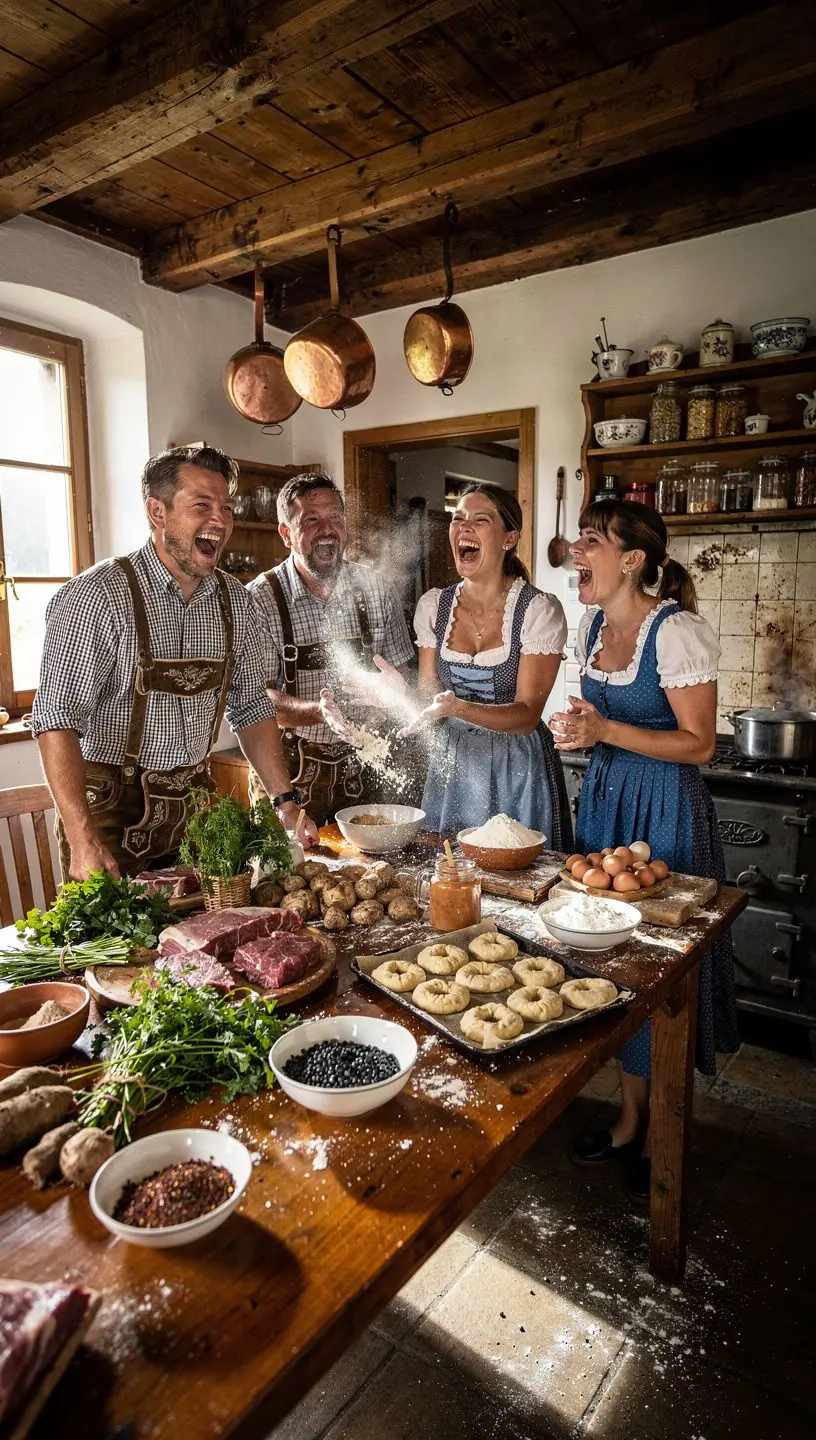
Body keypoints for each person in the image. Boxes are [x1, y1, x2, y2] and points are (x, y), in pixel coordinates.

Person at [550, 499, 739, 1200]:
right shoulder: (592, 626)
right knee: (618, 968)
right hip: (605, 802)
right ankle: (633, 1115)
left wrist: (604, 733)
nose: (577, 553)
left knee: (665, 973)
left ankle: (662, 1124)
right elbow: (598, 718)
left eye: (591, 542)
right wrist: (581, 729)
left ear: (633, 559)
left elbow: (701, 744)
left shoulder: (676, 631)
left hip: (665, 808)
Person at [32, 444, 318, 881]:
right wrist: (81, 837)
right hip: (107, 812)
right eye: (202, 505)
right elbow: (55, 720)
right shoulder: (96, 597)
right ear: (157, 512)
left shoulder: (236, 603)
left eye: (226, 507)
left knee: (198, 943)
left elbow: (252, 709)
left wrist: (286, 802)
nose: (220, 521)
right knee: (113, 948)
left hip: (194, 811)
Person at [247, 474, 415, 826]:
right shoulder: (259, 599)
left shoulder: (375, 588)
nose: (327, 529)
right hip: (287, 772)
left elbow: (408, 673)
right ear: (285, 533)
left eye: (335, 517)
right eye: (311, 519)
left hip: (368, 764)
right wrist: (317, 712)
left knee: (373, 873)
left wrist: (399, 688)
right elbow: (253, 698)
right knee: (285, 876)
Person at [411, 483, 573, 846]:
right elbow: (428, 693)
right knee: (453, 876)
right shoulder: (433, 607)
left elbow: (527, 715)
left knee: (518, 876)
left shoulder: (537, 611)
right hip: (454, 764)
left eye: (480, 520)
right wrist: (396, 692)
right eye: (458, 519)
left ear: (508, 539)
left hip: (516, 766)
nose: (464, 527)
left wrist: (457, 707)